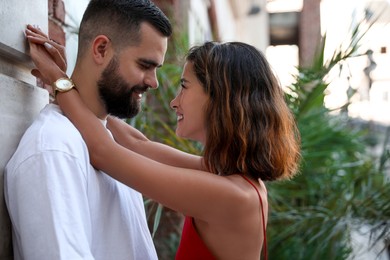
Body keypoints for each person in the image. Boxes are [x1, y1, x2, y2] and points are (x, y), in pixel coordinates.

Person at [26, 32, 301, 259]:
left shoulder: (233, 197)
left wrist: (57, 79)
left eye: (185, 86)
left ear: (219, 98)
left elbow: (104, 153)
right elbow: (137, 143)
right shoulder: (226, 176)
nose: (174, 101)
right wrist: (70, 84)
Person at [4, 0, 172, 259]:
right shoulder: (55, 149)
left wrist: (63, 83)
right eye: (145, 65)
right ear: (101, 49)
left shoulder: (112, 142)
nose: (154, 82)